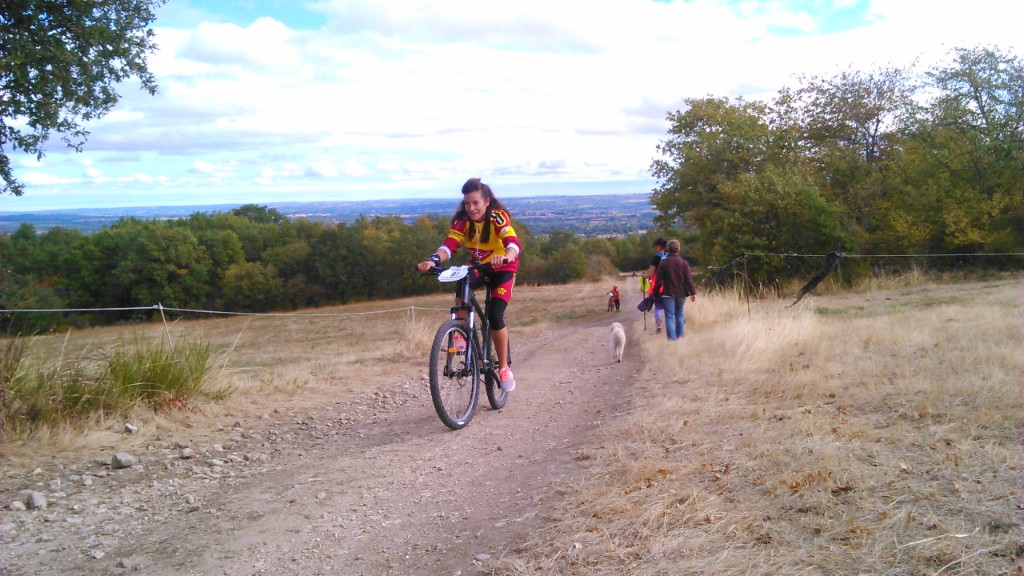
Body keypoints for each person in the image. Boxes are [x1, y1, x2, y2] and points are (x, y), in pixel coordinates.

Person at [417, 178, 521, 392]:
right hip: (480, 266)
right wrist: (433, 260)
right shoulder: (462, 221)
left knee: (495, 316)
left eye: (475, 203)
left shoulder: (497, 217)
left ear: (486, 202)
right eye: (467, 203)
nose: (471, 208)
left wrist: (507, 256)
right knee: (461, 283)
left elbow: (512, 242)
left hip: (503, 268)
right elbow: (449, 245)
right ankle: (463, 334)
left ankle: (503, 368)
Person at [654, 239, 697, 341]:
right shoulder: (684, 263)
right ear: (679, 249)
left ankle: (672, 339)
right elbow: (689, 280)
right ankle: (680, 337)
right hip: (681, 293)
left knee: (669, 316)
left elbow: (658, 281)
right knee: (679, 314)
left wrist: (655, 293)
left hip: (667, 293)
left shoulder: (663, 263)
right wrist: (693, 293)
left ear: (668, 249)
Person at [642, 238, 668, 333]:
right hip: (669, 285)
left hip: (658, 285)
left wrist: (644, 276)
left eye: (655, 247)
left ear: (659, 246)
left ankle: (659, 327)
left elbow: (651, 274)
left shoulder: (656, 258)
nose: (655, 249)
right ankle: (672, 325)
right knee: (669, 306)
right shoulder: (669, 256)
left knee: (658, 306)